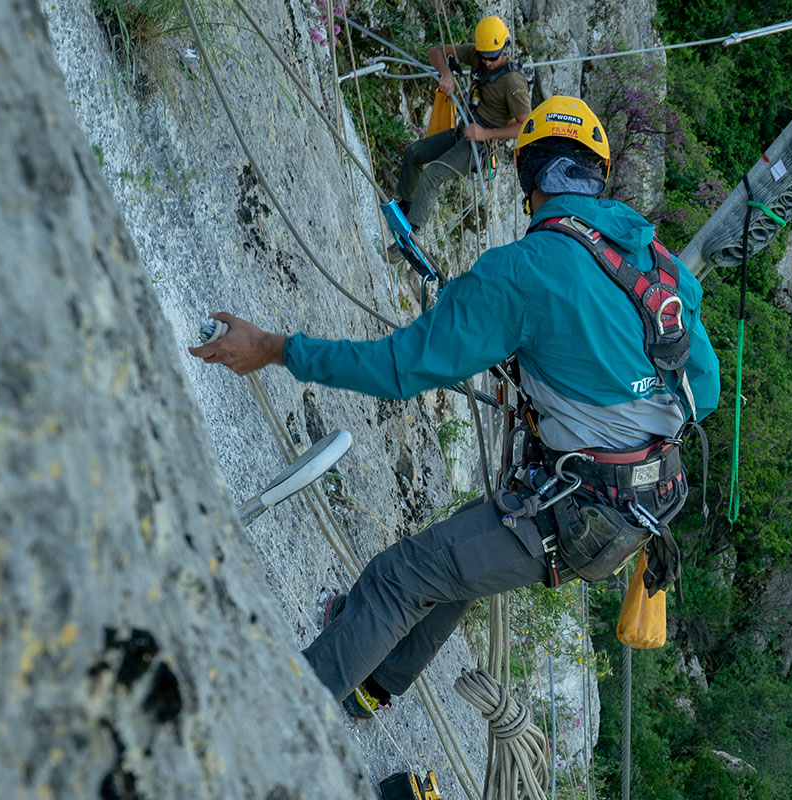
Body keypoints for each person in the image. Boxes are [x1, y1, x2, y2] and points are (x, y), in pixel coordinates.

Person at [189, 96, 719, 718]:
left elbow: (394, 370)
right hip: (642, 502)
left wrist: (274, 348)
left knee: (401, 577)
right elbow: (699, 393)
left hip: (580, 508)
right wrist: (570, 373)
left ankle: (271, 717)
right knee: (466, 550)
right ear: (596, 177)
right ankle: (372, 685)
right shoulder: (660, 267)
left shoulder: (523, 271)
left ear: (529, 180)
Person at [395, 15, 533, 224]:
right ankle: (406, 204)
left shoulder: (514, 83)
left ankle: (412, 232)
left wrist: (485, 133)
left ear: (505, 49)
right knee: (413, 152)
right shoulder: (477, 54)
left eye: (492, 57)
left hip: (479, 146)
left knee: (433, 174)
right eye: (484, 56)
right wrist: (446, 74)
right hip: (464, 131)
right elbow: (436, 52)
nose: (487, 61)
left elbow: (525, 126)